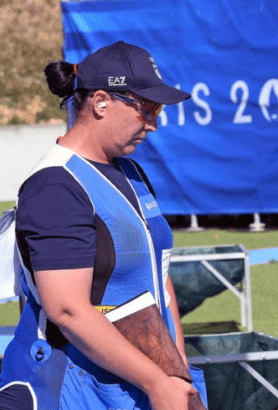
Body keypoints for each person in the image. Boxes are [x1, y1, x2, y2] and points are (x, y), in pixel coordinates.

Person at [0, 41, 206, 410]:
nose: (154, 124)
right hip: (69, 388)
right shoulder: (55, 185)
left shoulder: (130, 170)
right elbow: (68, 310)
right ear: (100, 102)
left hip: (136, 382)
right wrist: (157, 382)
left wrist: (178, 372)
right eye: (147, 108)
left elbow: (160, 276)